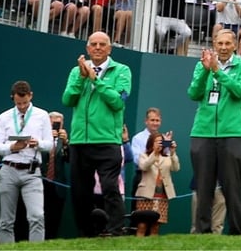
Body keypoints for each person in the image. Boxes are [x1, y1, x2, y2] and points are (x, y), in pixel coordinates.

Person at [61, 31, 132, 237]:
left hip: (108, 140)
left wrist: (96, 81)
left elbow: (118, 102)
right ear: (87, 48)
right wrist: (82, 79)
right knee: (80, 192)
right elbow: (67, 100)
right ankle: (86, 233)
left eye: (102, 44)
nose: (98, 47)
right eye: (94, 44)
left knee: (110, 187)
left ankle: (115, 230)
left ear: (110, 48)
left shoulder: (122, 70)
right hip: (80, 141)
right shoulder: (76, 72)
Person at [187, 28, 241, 234]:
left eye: (228, 44)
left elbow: (240, 91)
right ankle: (202, 233)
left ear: (234, 45)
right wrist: (207, 71)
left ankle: (236, 232)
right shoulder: (202, 66)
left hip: (233, 133)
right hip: (203, 133)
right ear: (214, 45)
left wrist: (218, 72)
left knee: (232, 188)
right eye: (220, 44)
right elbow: (193, 93)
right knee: (203, 187)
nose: (224, 47)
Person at [0, 80, 53, 243]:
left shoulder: (42, 115)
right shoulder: (4, 117)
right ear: (13, 98)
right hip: (9, 169)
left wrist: (37, 143)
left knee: (37, 216)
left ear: (31, 96)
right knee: (6, 220)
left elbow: (50, 144)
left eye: (25, 103)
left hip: (32, 171)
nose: (22, 107)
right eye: (18, 103)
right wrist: (13, 147)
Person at [133, 131, 180, 236]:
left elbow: (176, 168)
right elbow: (144, 166)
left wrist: (172, 152)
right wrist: (155, 153)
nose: (160, 144)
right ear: (151, 143)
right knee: (142, 225)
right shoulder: (144, 155)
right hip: (146, 195)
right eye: (157, 142)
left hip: (162, 196)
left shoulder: (167, 157)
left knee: (156, 225)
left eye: (161, 142)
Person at [43, 111, 69, 240]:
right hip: (41, 183)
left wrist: (66, 144)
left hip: (58, 185)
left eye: (59, 123)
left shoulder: (64, 140)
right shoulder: (42, 137)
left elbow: (70, 159)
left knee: (55, 217)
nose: (56, 126)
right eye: (54, 123)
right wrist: (47, 138)